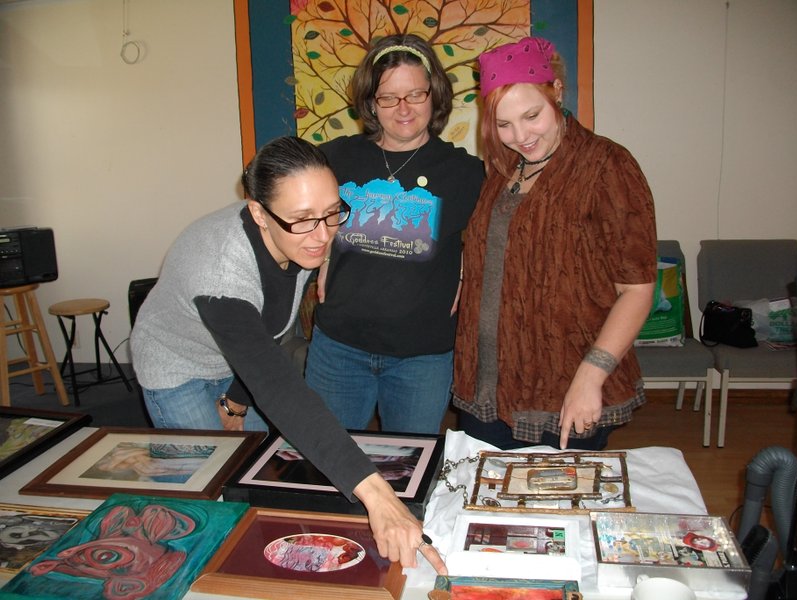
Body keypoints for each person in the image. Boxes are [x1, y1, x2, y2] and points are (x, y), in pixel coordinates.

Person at [130, 136, 445, 573]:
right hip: (176, 363)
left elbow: (268, 334)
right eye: (303, 220)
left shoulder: (301, 235)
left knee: (268, 472)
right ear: (259, 212)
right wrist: (379, 496)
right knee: (211, 491)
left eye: (332, 212)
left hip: (238, 354)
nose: (323, 235)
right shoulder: (222, 269)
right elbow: (277, 386)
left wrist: (236, 400)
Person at [452, 37, 657, 451]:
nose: (520, 136)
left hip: (565, 385)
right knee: (489, 509)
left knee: (556, 512)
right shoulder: (504, 169)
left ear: (557, 92)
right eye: (503, 125)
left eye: (531, 116)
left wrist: (591, 375)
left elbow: (636, 289)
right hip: (488, 385)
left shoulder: (607, 166)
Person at [304, 34, 484, 434]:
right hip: (339, 347)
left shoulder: (467, 173)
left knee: (408, 469)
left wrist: (469, 271)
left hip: (422, 356)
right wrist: (318, 252)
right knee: (326, 462)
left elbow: (505, 236)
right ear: (371, 103)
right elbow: (286, 206)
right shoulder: (336, 158)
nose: (404, 109)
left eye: (415, 94)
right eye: (389, 97)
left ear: (434, 96)